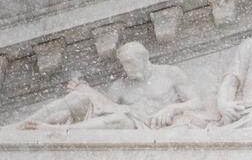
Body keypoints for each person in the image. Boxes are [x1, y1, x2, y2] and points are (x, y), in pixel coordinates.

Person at [6, 41, 211, 130]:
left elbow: (198, 102)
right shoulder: (119, 86)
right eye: (123, 64)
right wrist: (87, 92)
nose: (127, 68)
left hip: (150, 127)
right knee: (77, 99)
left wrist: (172, 108)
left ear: (145, 58)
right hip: (130, 120)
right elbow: (104, 110)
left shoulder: (170, 73)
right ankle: (21, 126)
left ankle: (61, 131)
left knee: (118, 121)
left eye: (130, 63)